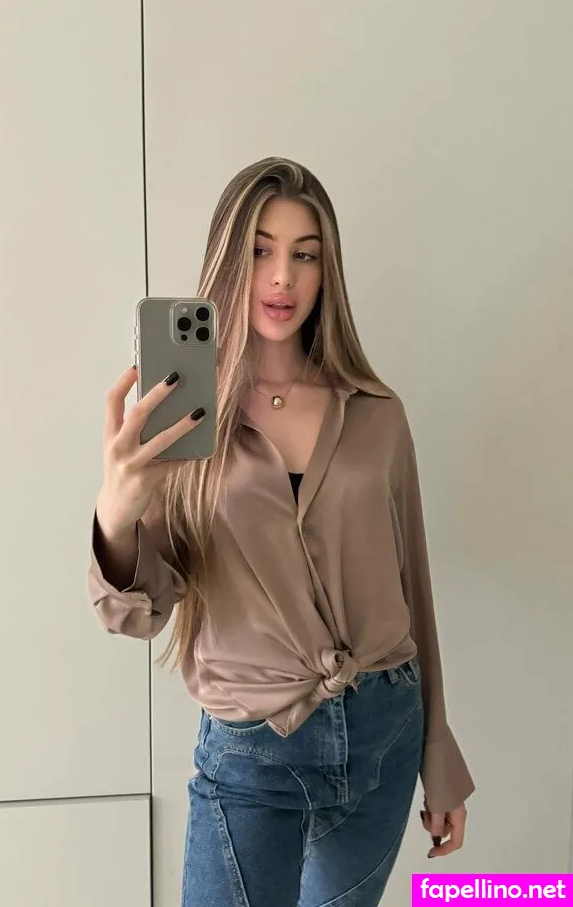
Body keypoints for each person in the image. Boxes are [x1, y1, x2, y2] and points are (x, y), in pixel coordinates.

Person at [88, 157, 474, 907]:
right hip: (252, 748)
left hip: (384, 732)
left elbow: (414, 590)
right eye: (262, 249)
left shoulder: (377, 413)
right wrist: (117, 508)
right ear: (230, 259)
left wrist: (440, 755)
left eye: (305, 254)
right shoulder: (184, 420)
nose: (282, 277)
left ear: (327, 271)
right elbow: (138, 612)